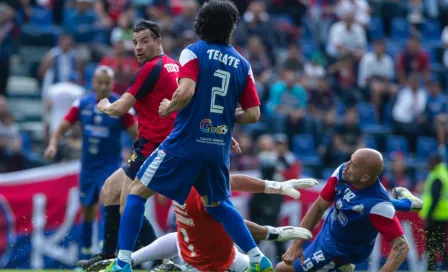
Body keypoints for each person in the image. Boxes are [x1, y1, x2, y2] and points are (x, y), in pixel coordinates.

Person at [101, 1, 273, 271]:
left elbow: (185, 92)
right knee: (217, 205)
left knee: (136, 193)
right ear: (231, 28)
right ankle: (257, 258)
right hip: (218, 147)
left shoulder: (193, 52)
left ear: (201, 24)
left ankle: (122, 263)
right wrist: (225, 118)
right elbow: (253, 114)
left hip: (185, 143)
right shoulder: (243, 63)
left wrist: (169, 106)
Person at [77, 20, 179, 268]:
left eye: (144, 41)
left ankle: (162, 261)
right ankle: (108, 255)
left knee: (127, 205)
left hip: (155, 147)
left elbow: (121, 107)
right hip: (151, 146)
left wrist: (104, 106)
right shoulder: (174, 66)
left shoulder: (152, 68)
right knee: (110, 189)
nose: (138, 47)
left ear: (158, 42)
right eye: (135, 42)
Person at [90, 175, 318, 272]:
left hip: (218, 257)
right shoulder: (198, 190)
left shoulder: (191, 186)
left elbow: (232, 189)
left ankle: (125, 261)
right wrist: (272, 233)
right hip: (208, 263)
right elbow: (234, 222)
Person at [44, 66, 138, 260]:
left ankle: (107, 254)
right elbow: (61, 127)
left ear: (112, 84)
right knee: (87, 210)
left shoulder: (120, 105)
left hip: (110, 166)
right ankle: (86, 253)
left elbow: (136, 134)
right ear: (93, 83)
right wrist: (52, 145)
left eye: (107, 83)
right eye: (100, 82)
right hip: (88, 167)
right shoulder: (82, 104)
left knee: (108, 208)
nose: (103, 86)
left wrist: (136, 156)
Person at [277, 149, 413, 272]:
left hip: (338, 253)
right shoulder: (343, 173)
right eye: (350, 159)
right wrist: (297, 243)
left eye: (352, 165)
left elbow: (402, 247)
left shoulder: (379, 206)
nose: (346, 166)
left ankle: (343, 266)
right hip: (327, 233)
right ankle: (406, 203)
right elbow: (319, 206)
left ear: (365, 177)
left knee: (282, 270)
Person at [419, 153, 448, 271]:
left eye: (430, 163)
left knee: (431, 244)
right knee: (441, 244)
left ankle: (430, 268)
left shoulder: (437, 176)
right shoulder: (443, 174)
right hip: (443, 215)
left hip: (436, 216)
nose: (428, 165)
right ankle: (444, 266)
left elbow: (435, 199)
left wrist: (429, 216)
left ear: (435, 163)